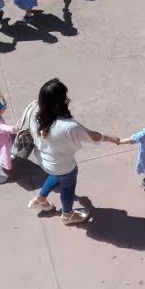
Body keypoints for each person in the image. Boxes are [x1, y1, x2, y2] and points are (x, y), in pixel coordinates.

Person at [26, 79, 119, 225]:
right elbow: (93, 136)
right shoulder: (69, 126)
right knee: (68, 186)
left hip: (45, 161)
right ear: (60, 102)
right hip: (62, 165)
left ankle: (41, 199)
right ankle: (67, 215)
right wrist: (112, 139)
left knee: (57, 175)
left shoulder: (33, 108)